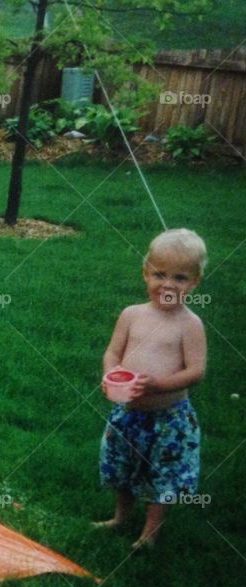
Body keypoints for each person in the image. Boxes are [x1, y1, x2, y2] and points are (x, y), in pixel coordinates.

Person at [95, 229, 207, 549]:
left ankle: (150, 532)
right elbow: (112, 353)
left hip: (170, 419)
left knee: (164, 476)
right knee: (122, 466)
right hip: (129, 413)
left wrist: (159, 385)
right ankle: (120, 517)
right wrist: (110, 374)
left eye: (181, 277)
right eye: (160, 274)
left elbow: (196, 371)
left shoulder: (189, 324)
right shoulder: (132, 315)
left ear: (195, 282)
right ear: (145, 273)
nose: (168, 284)